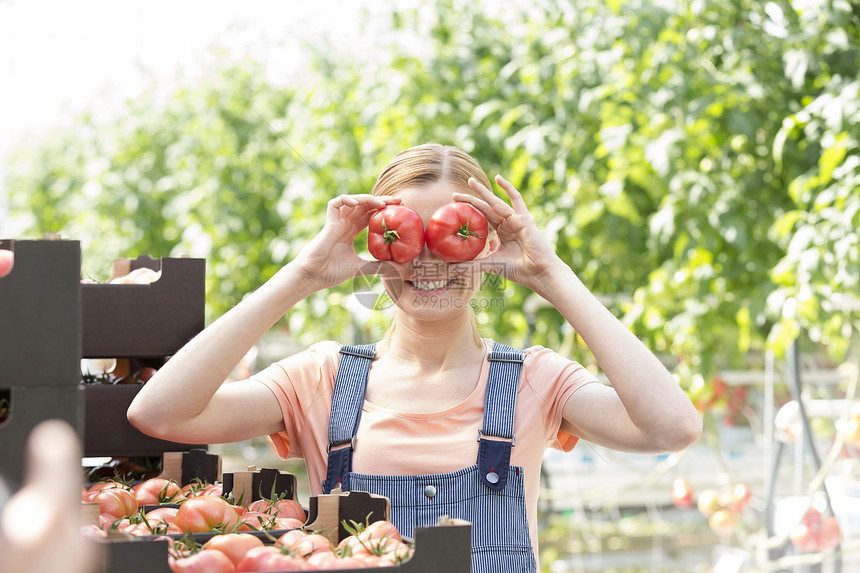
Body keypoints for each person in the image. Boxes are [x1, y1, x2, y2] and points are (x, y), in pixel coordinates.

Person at [127, 143, 703, 572]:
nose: (430, 259)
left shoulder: (535, 379)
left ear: (489, 247)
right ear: (376, 240)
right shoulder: (323, 378)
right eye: (405, 234)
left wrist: (551, 275)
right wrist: (301, 274)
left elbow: (672, 427)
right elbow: (162, 414)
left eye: (457, 234)